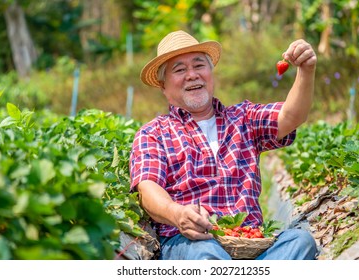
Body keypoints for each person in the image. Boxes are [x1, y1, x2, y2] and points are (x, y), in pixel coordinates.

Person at [130, 30, 318, 260]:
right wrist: (176, 213)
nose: (192, 75)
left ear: (211, 73)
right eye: (179, 70)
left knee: (301, 241)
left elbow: (290, 116)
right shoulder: (153, 133)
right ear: (163, 86)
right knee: (207, 254)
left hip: (251, 242)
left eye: (199, 65)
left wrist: (306, 70)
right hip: (192, 242)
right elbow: (148, 189)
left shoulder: (243, 118)